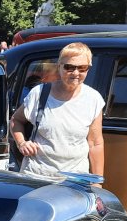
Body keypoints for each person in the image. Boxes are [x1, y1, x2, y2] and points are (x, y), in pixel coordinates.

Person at [9, 41, 104, 179]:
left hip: (74, 180)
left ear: (88, 68)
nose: (75, 73)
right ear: (59, 66)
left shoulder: (93, 99)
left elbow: (95, 144)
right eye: (69, 67)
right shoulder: (39, 93)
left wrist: (97, 182)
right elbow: (15, 120)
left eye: (82, 68)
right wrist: (22, 143)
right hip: (37, 176)